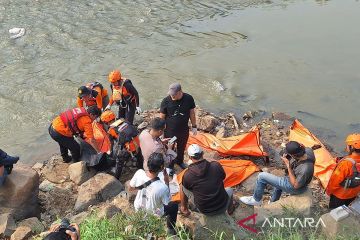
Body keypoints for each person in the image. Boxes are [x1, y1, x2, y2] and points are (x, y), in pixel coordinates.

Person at [240, 141, 315, 206]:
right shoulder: (308, 151)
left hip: (295, 188)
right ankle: (273, 201)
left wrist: (288, 165)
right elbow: (308, 148)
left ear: (294, 155)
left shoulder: (305, 168)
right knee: (278, 184)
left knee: (261, 176)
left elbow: (295, 186)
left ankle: (256, 200)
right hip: (296, 178)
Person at [129, 152, 178, 235]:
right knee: (174, 206)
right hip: (152, 214)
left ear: (148, 164)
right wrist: (166, 182)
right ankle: (170, 231)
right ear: (162, 167)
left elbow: (130, 188)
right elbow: (167, 202)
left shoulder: (139, 172)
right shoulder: (162, 187)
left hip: (138, 207)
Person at [180, 144, 235, 216]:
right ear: (202, 153)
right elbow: (223, 177)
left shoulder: (188, 175)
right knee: (229, 190)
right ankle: (230, 210)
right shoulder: (216, 165)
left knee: (182, 186)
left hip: (204, 210)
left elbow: (187, 187)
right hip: (222, 206)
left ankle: (184, 209)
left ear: (190, 157)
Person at [160, 83, 197, 169]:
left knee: (181, 147)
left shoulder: (189, 98)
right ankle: (170, 166)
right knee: (170, 148)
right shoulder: (165, 101)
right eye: (171, 94)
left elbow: (192, 113)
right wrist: (161, 132)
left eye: (174, 94)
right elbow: (162, 117)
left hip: (183, 131)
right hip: (171, 133)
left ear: (180, 92)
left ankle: (180, 161)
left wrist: (194, 126)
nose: (172, 96)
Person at [100, 110, 143, 175]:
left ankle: (117, 176)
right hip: (138, 143)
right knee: (139, 156)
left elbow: (111, 143)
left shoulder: (111, 130)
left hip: (129, 148)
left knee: (119, 160)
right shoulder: (124, 120)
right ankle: (141, 166)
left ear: (106, 122)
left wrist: (111, 153)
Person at [326, 134, 360, 209]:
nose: (346, 146)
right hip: (353, 193)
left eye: (347, 145)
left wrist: (329, 192)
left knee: (334, 211)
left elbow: (335, 181)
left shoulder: (346, 164)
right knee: (344, 209)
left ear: (351, 147)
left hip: (340, 195)